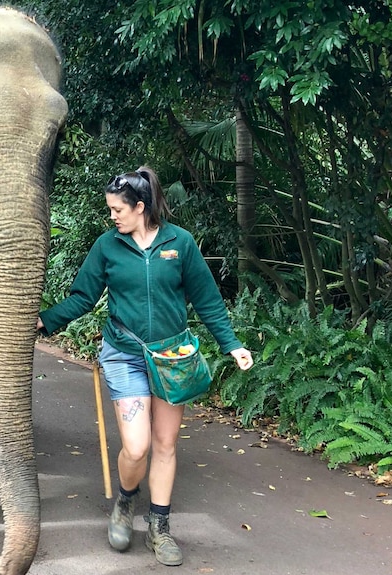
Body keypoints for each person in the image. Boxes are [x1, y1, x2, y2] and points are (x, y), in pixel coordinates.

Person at [36, 166, 253, 567]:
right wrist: (45, 320)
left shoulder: (179, 243)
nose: (113, 217)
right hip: (124, 354)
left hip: (172, 357)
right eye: (111, 211)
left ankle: (159, 527)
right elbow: (82, 297)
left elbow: (207, 299)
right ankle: (125, 500)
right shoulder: (107, 246)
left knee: (166, 445)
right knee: (137, 447)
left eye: (118, 210)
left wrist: (232, 344)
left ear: (141, 207)